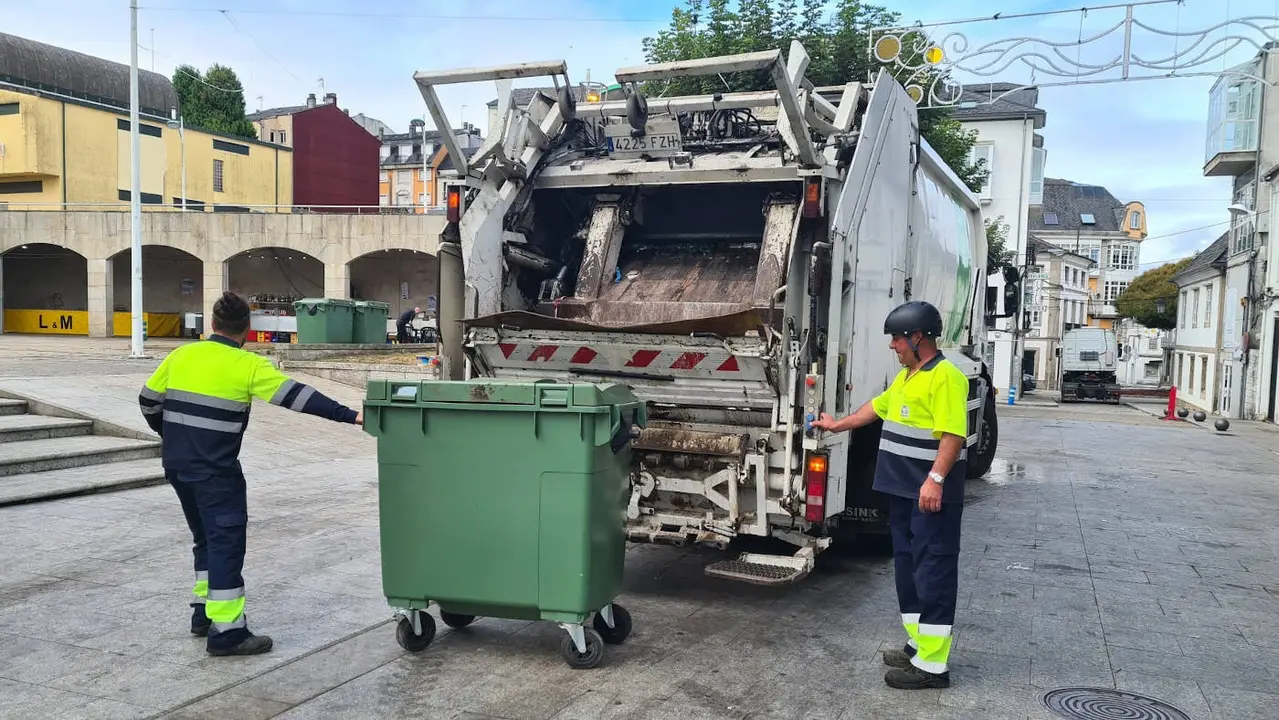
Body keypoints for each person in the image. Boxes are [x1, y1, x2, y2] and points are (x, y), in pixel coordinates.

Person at [138, 291, 364, 656]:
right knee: (225, 543)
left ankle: (202, 614)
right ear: (247, 329)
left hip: (178, 468)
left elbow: (148, 401)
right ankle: (227, 632)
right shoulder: (248, 365)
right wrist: (350, 415)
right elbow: (298, 397)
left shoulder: (181, 355)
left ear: (212, 325)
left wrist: (174, 436)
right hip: (216, 473)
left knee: (205, 539)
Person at [809, 300, 969, 690]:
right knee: (909, 568)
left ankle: (933, 667)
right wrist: (836, 426)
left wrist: (934, 479)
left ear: (918, 338)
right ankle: (919, 645)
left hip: (928, 495)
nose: (892, 345)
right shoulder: (910, 375)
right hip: (902, 493)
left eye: (897, 338)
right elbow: (878, 409)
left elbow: (953, 434)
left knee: (933, 569)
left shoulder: (945, 376)